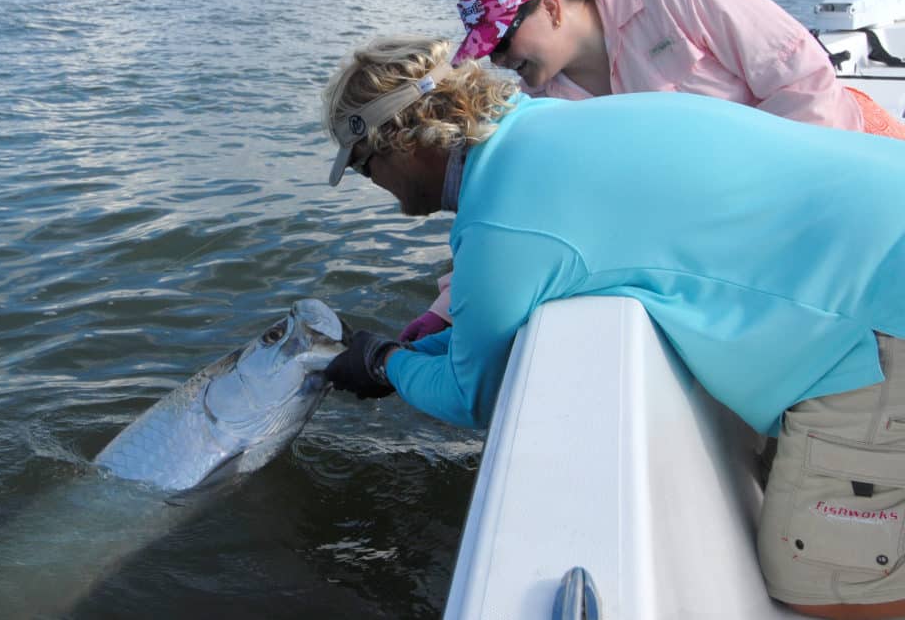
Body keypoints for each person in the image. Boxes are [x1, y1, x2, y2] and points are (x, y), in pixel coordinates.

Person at [321, 35, 905, 619]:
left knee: (824, 587)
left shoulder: (500, 219)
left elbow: (469, 395)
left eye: (365, 165)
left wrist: (383, 363)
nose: (373, 184)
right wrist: (440, 337)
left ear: (402, 142)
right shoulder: (545, 124)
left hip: (877, 311)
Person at [400, 0, 905, 342]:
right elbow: (527, 212)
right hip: (745, 246)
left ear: (551, 7)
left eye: (502, 42)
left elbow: (806, 84)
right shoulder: (546, 106)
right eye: (488, 53)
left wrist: (776, 214)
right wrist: (447, 308)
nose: (499, 62)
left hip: (851, 176)